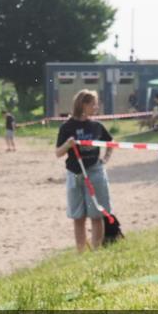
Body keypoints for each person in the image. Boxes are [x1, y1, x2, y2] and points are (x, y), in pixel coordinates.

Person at [54, 90, 115, 253]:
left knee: (96, 214)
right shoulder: (67, 127)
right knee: (78, 217)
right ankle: (80, 252)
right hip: (74, 174)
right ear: (83, 105)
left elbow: (110, 142)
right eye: (93, 104)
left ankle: (96, 251)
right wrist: (67, 145)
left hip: (94, 173)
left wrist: (105, 159)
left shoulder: (96, 126)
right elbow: (58, 153)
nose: (96, 107)